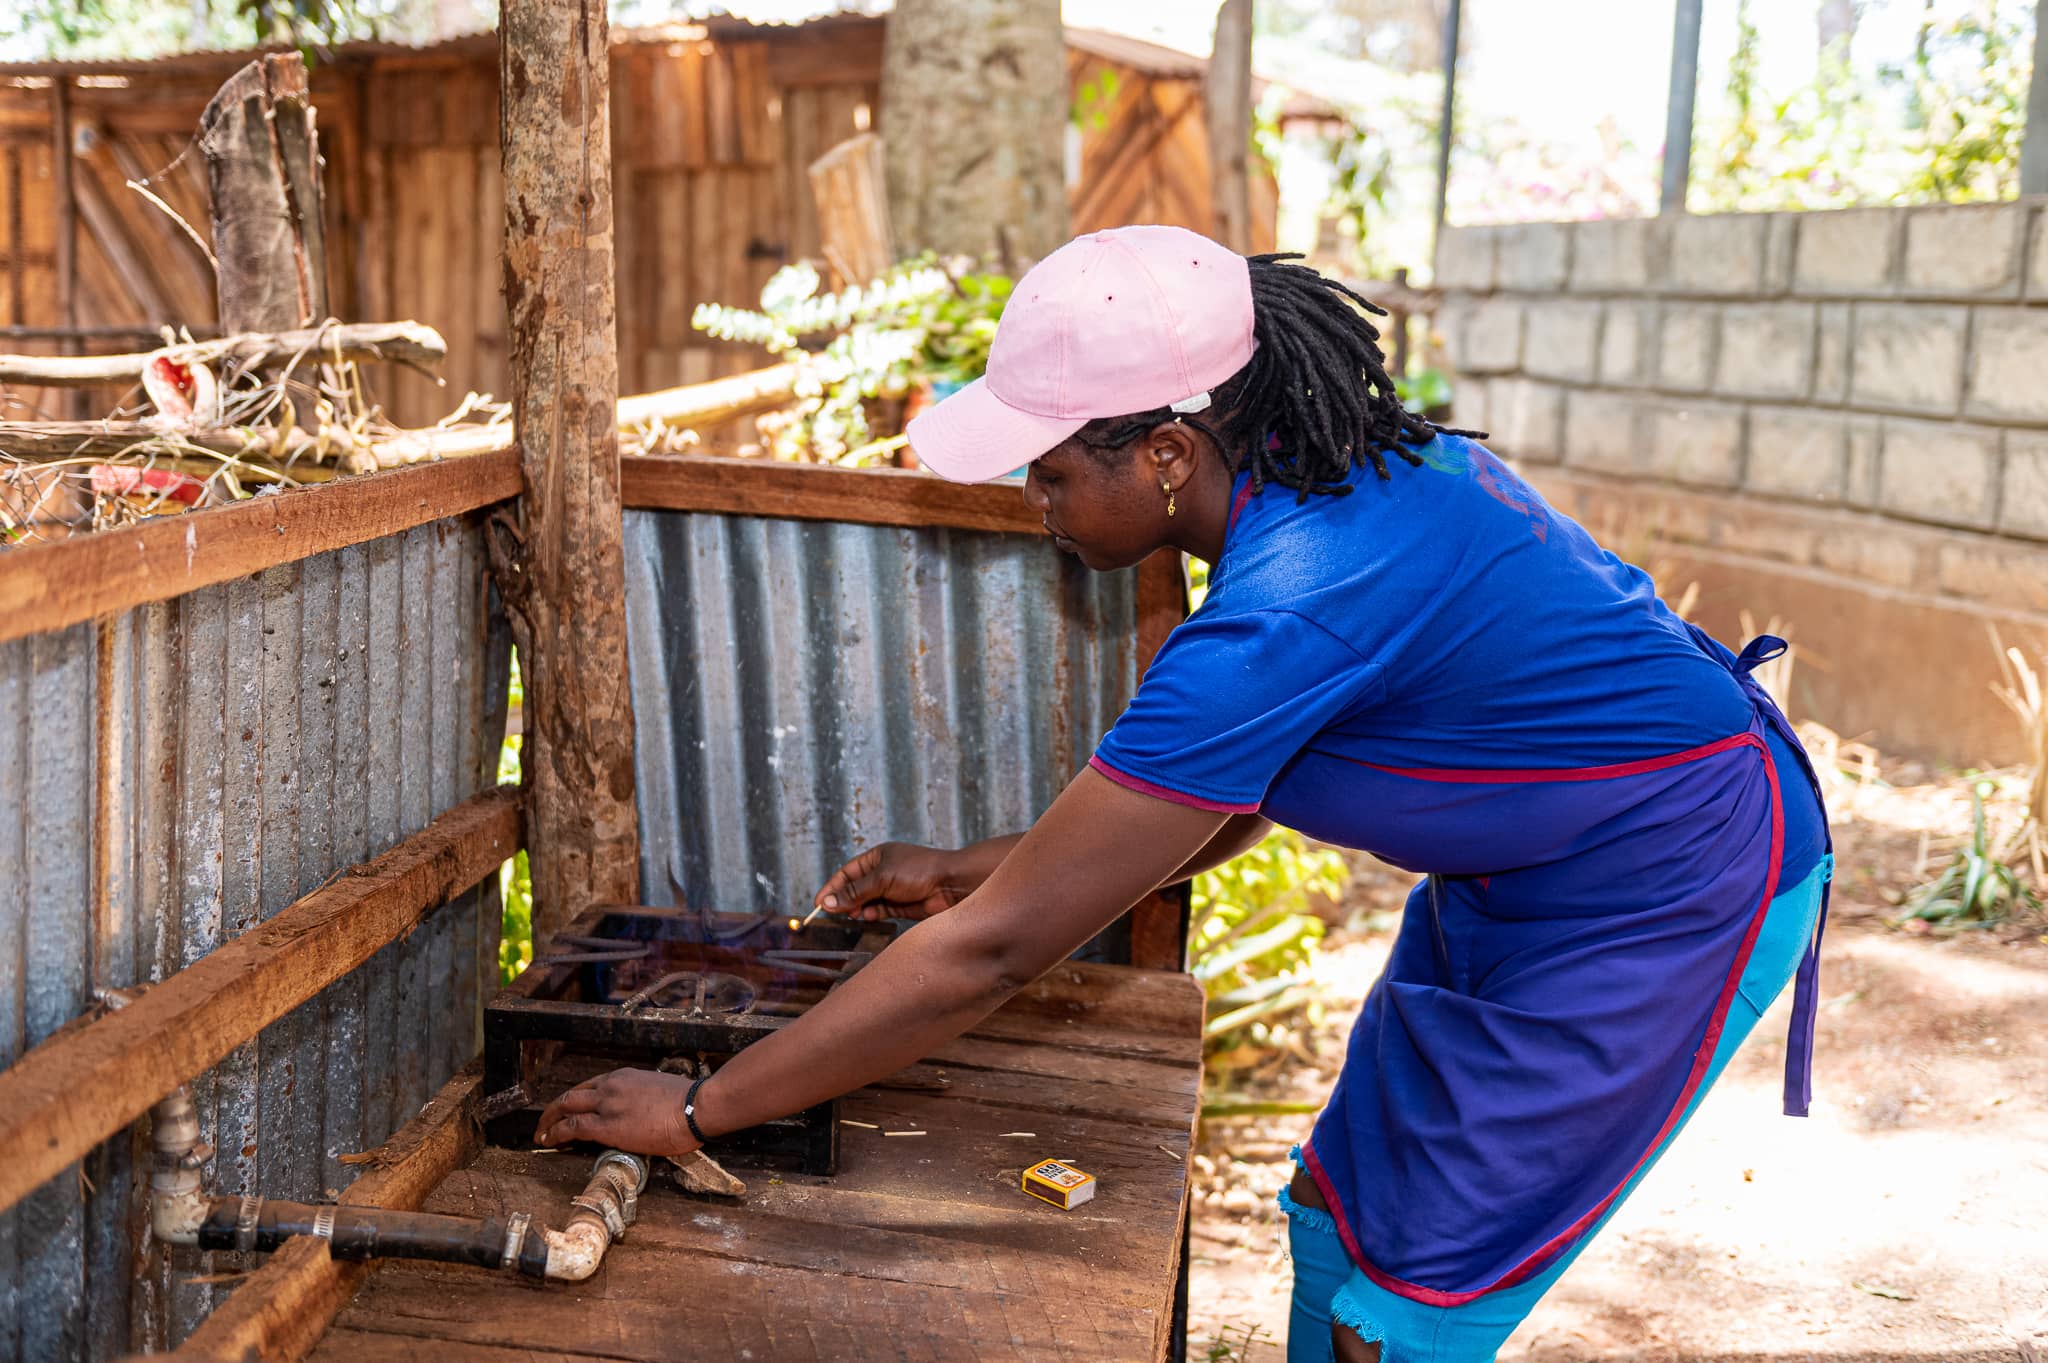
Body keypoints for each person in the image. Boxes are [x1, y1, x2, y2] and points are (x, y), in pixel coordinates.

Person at [536, 225, 1831, 1363]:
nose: (1036, 507)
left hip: (1673, 881)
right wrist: (974, 861)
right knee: (1347, 1200)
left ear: (1164, 450)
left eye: (1049, 475)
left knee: (1417, 1288)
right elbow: (1226, 794)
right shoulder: (1318, 485)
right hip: (1526, 868)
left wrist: (702, 1106)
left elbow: (989, 958)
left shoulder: (1291, 602)